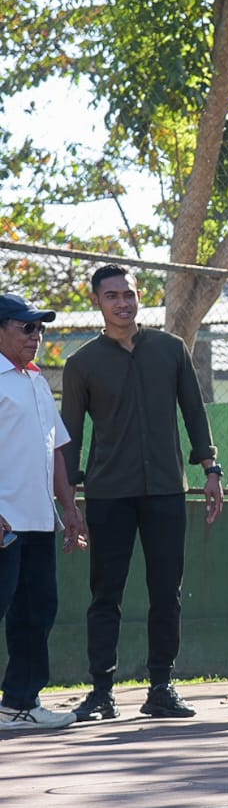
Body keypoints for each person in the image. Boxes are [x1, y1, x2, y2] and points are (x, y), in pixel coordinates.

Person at [61, 265, 224, 721]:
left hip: (168, 490)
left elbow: (194, 412)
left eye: (128, 294)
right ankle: (101, 693)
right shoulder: (81, 364)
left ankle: (161, 686)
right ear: (98, 301)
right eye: (111, 295)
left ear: (139, 297)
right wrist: (68, 498)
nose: (122, 303)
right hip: (109, 493)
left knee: (166, 591)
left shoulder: (171, 350)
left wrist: (211, 469)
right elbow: (69, 436)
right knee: (105, 594)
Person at [0, 293, 86, 730]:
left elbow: (55, 448)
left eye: (40, 328)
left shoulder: (35, 379)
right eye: (26, 327)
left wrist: (69, 507)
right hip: (3, 520)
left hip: (39, 519)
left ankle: (20, 701)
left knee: (38, 611)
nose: (36, 336)